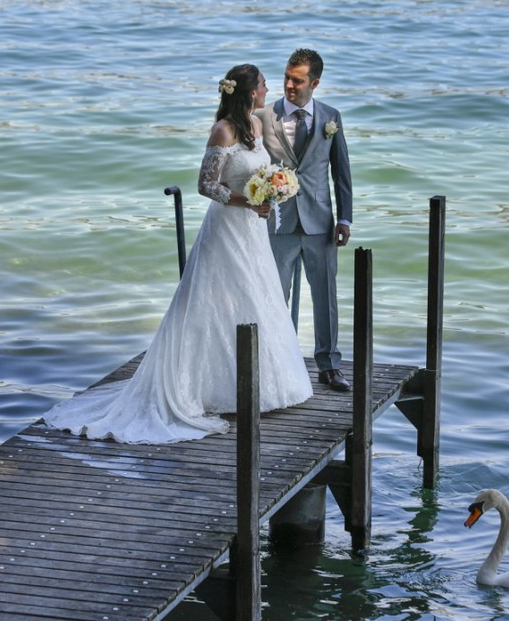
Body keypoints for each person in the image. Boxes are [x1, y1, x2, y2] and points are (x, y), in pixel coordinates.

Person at [43, 64, 313, 444]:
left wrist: (269, 192)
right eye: (265, 84)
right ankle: (207, 388)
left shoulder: (254, 125)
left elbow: (261, 170)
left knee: (254, 296)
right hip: (227, 228)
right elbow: (206, 185)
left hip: (253, 228)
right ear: (250, 92)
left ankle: (263, 382)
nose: (269, 89)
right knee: (214, 299)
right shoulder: (223, 129)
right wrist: (247, 200)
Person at [257, 49, 353, 392]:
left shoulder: (331, 117)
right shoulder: (263, 116)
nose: (288, 85)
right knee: (274, 297)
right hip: (277, 223)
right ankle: (276, 365)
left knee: (325, 296)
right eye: (285, 77)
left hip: (320, 223)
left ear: (315, 82)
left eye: (297, 80)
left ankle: (329, 366)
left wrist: (345, 218)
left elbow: (342, 172)